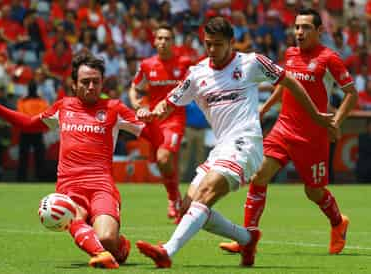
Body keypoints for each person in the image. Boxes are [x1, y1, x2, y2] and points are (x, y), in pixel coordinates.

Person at [135, 16, 334, 268]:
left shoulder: (251, 62)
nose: (212, 50)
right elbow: (169, 103)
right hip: (220, 149)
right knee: (188, 208)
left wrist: (316, 115)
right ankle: (247, 238)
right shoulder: (197, 74)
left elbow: (289, 82)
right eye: (207, 44)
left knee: (205, 194)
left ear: (231, 43)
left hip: (246, 144)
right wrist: (152, 112)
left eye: (217, 44)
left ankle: (167, 252)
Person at [0, 51, 161, 269]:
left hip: (101, 186)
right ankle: (101, 255)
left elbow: (155, 138)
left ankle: (117, 246)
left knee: (107, 239)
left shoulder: (114, 109)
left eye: (96, 82)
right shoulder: (63, 107)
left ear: (102, 83)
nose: (91, 87)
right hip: (69, 188)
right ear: (74, 84)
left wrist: (150, 118)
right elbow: (29, 124)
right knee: (67, 214)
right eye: (85, 82)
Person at [219, 8, 358, 256]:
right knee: (259, 175)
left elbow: (351, 93)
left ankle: (338, 223)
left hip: (313, 136)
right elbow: (285, 86)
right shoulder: (290, 53)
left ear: (319, 31)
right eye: (296, 27)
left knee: (313, 191)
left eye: (305, 27)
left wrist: (335, 122)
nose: (299, 32)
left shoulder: (329, 58)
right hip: (283, 128)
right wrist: (265, 109)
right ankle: (247, 238)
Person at [129, 23, 191, 221]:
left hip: (174, 119)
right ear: (154, 41)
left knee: (164, 158)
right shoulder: (147, 65)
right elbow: (134, 87)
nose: (163, 42)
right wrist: (137, 105)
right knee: (164, 163)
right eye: (160, 38)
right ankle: (177, 199)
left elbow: (191, 88)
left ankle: (173, 199)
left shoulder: (183, 63)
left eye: (168, 38)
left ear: (174, 42)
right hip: (153, 121)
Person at [15, 81, 49, 182]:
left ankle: (21, 178)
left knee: (23, 156)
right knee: (39, 156)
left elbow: (20, 114)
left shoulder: (22, 101)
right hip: (37, 131)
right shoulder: (42, 101)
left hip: (25, 131)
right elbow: (44, 115)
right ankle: (41, 178)